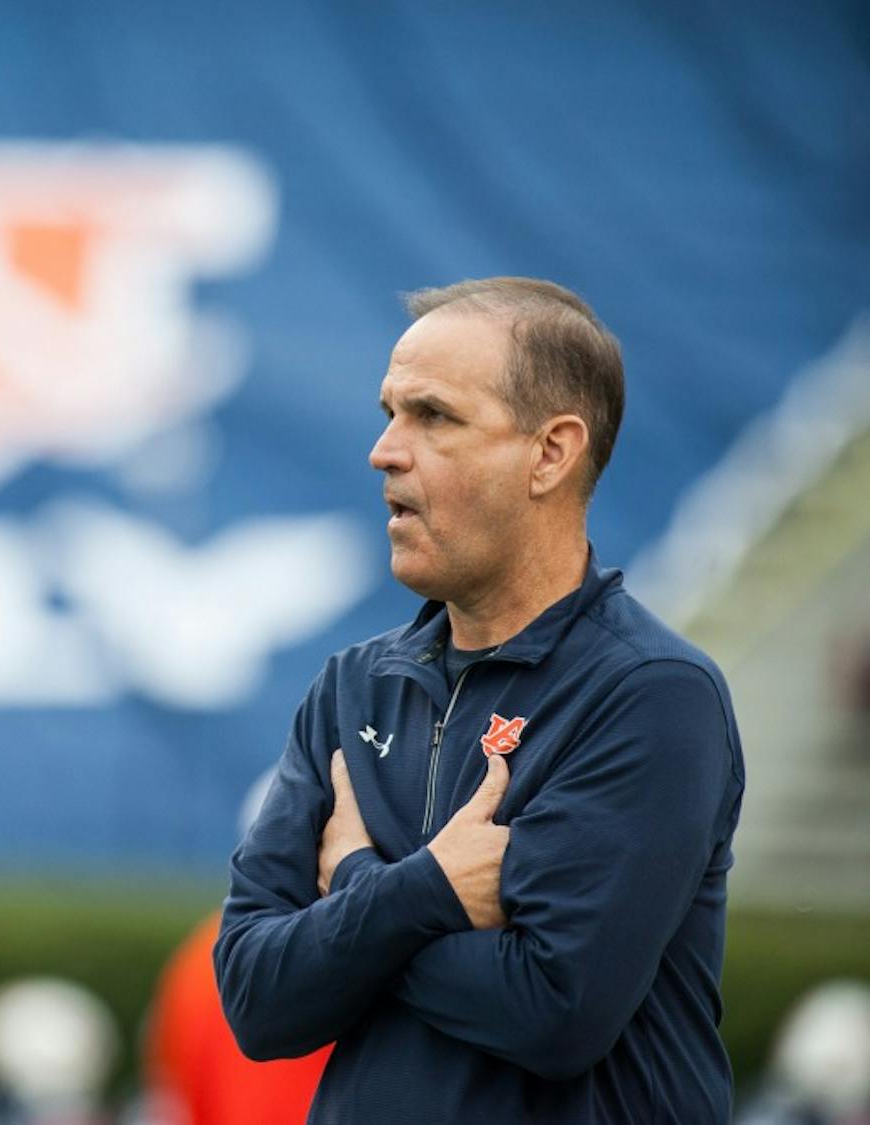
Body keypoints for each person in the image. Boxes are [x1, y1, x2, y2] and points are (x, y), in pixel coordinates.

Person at [213, 277, 746, 1123]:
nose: (385, 450)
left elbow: (552, 1010)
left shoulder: (651, 694)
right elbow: (255, 996)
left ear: (550, 453)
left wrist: (354, 877)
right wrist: (421, 893)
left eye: (433, 416)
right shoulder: (351, 688)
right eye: (388, 412)